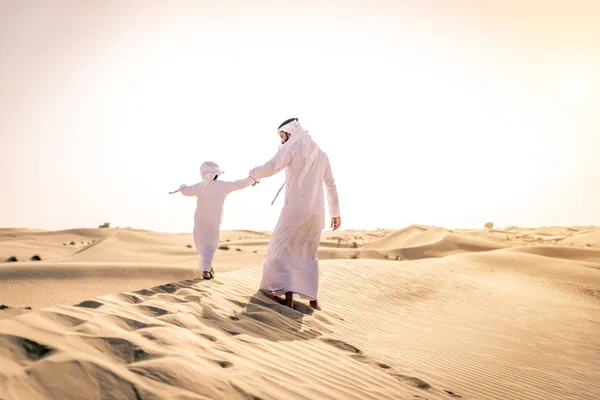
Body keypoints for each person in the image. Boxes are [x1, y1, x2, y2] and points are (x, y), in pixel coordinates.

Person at [249, 118, 341, 310]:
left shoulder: (293, 146)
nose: (282, 141)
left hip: (296, 208)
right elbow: (330, 184)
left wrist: (254, 173)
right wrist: (335, 213)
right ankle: (313, 299)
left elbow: (271, 167)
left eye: (283, 137)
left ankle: (286, 295)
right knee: (307, 252)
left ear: (290, 133)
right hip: (317, 212)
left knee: (280, 248)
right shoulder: (321, 153)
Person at [176, 161, 256, 279]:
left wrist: (182, 187)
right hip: (214, 220)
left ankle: (206, 269)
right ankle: (206, 270)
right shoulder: (224, 185)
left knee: (201, 244)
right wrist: (253, 180)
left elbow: (186, 191)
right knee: (210, 246)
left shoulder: (199, 186)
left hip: (200, 219)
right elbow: (240, 184)